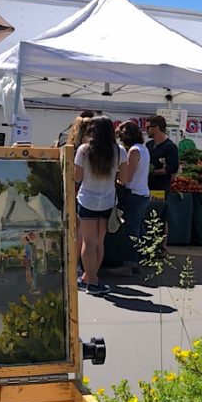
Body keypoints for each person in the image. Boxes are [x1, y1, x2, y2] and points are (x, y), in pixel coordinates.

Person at [75, 115, 128, 296]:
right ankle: (90, 278)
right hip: (107, 200)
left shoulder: (83, 150)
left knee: (87, 242)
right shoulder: (120, 151)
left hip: (87, 199)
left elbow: (77, 177)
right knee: (99, 242)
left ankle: (91, 281)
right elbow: (124, 178)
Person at [117, 120, 151, 273]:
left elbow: (127, 177)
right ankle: (140, 259)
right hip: (142, 193)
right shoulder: (144, 149)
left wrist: (117, 175)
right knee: (139, 228)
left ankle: (129, 264)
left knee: (131, 230)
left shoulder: (133, 151)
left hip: (134, 193)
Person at [146, 115, 179, 194]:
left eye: (148, 128)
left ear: (156, 128)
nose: (146, 130)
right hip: (147, 186)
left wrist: (155, 172)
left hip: (161, 188)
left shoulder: (170, 147)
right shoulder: (148, 145)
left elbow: (173, 168)